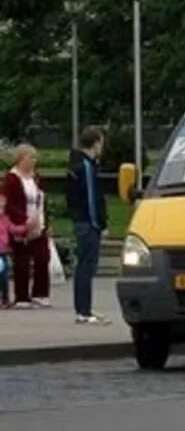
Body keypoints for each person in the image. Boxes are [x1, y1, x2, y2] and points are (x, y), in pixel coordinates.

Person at [67, 126, 110, 325]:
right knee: (86, 267)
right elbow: (92, 198)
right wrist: (99, 223)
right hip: (87, 223)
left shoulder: (83, 164)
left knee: (85, 267)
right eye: (101, 141)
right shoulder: (85, 166)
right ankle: (83, 311)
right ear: (96, 142)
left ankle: (84, 308)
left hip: (81, 221)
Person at [3, 144, 51, 308]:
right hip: (21, 225)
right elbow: (9, 204)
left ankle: (40, 293)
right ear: (21, 158)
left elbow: (43, 199)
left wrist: (47, 222)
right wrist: (25, 221)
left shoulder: (36, 177)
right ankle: (21, 296)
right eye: (31, 157)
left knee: (43, 257)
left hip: (39, 223)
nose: (34, 161)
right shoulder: (11, 179)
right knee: (22, 260)